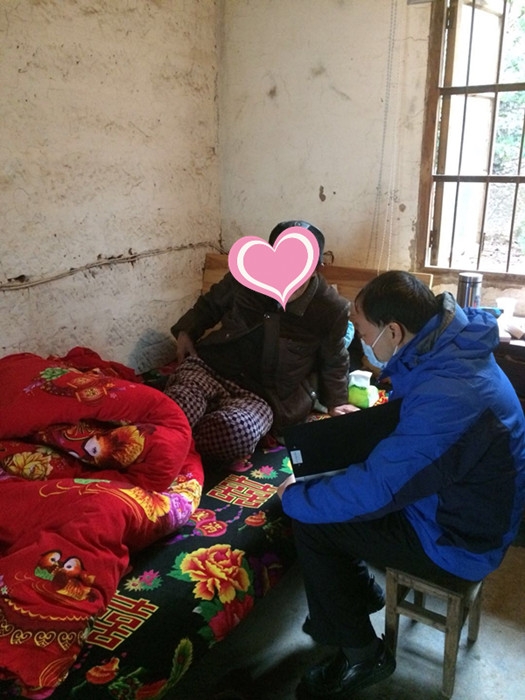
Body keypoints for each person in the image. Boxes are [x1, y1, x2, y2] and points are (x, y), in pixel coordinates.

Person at [278, 270, 525, 699]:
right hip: (457, 507)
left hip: (458, 541)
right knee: (335, 477)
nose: (361, 342)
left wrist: (295, 497)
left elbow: (380, 490)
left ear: (392, 330)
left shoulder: (454, 391)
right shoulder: (450, 349)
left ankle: (362, 654)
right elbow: (416, 431)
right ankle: (358, 596)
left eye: (363, 332)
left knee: (313, 519)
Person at [165, 220, 356, 467]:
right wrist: (186, 331)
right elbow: (210, 305)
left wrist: (337, 402)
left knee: (234, 433)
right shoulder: (245, 275)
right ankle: (171, 439)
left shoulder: (331, 308)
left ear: (316, 268)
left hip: (262, 396)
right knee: (178, 405)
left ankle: (177, 442)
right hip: (212, 367)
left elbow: (334, 358)